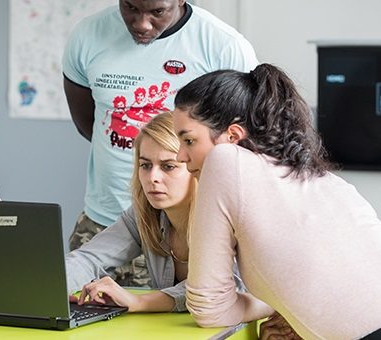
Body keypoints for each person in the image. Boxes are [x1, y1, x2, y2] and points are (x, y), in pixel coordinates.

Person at [172, 63, 381, 339]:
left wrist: (277, 308)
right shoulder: (323, 180)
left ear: (232, 137)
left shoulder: (224, 159)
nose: (180, 156)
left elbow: (209, 308)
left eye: (188, 140)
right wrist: (288, 308)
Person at [62, 0, 258, 287]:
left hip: (189, 221)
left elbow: (219, 293)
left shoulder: (224, 47)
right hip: (104, 214)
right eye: (130, 7)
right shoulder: (87, 36)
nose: (142, 23)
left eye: (157, 12)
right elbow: (87, 124)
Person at [66, 112, 247, 313]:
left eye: (168, 166)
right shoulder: (143, 215)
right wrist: (55, 286)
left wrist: (140, 302)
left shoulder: (225, 217)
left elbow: (221, 288)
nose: (153, 177)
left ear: (195, 167)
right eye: (145, 165)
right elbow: (89, 258)